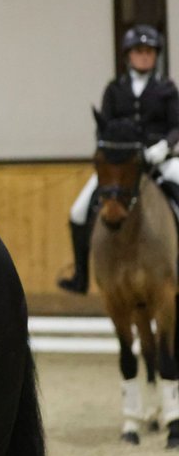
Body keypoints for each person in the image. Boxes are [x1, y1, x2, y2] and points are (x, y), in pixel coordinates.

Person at [59, 23, 179, 295]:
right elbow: (104, 126)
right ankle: (81, 275)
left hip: (160, 160)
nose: (144, 56)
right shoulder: (115, 89)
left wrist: (164, 146)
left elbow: (176, 125)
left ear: (156, 55)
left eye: (149, 52)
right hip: (123, 164)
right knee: (78, 211)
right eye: (139, 51)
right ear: (129, 56)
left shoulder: (166, 89)